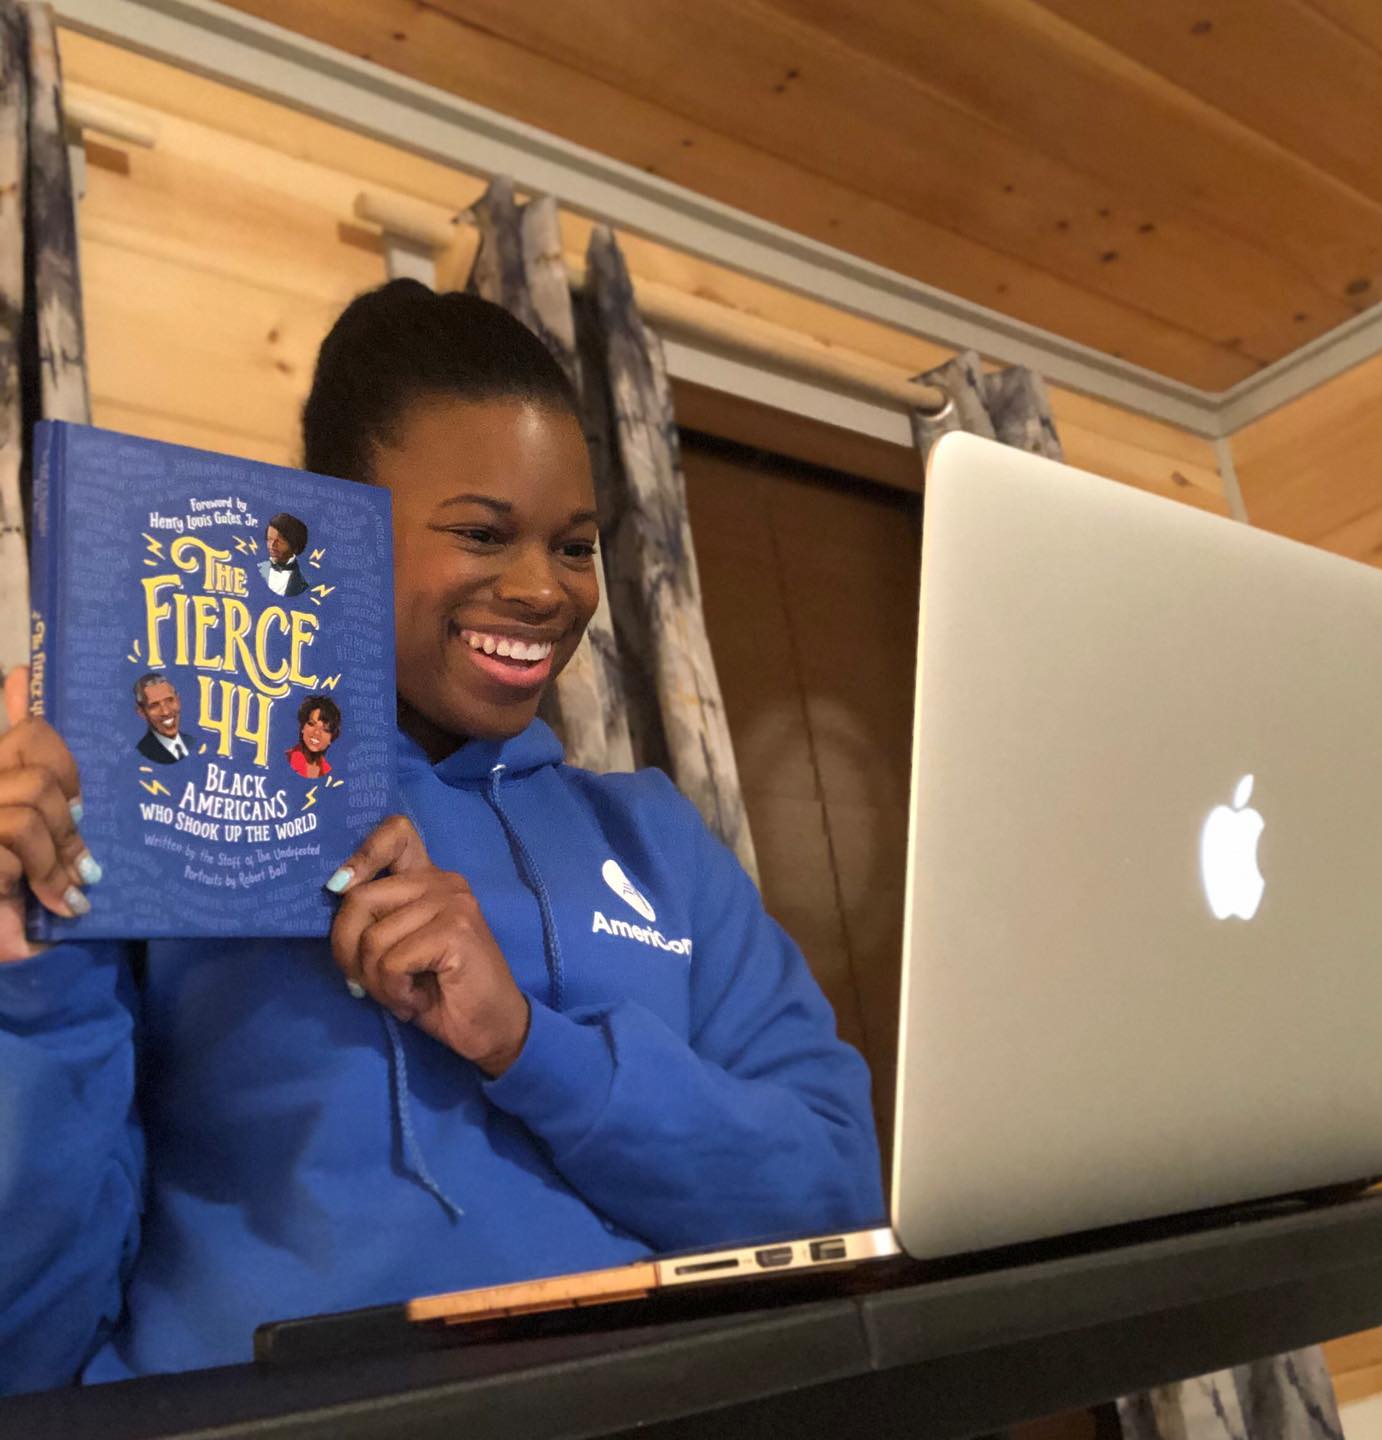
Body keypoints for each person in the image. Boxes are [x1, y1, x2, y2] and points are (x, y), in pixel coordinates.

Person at [0, 281, 884, 1394]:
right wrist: (24, 968)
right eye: (480, 533)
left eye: (575, 546)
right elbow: (23, 1338)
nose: (543, 591)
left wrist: (527, 1042)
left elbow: (839, 1202)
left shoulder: (658, 839)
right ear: (333, 529)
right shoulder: (164, 815)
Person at [132, 672, 196, 764]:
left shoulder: (192, 743)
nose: (166, 711)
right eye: (154, 705)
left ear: (178, 700)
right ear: (142, 712)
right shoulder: (141, 754)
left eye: (170, 700)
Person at [287, 694, 340, 778]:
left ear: (331, 738)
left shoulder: (331, 773)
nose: (317, 732)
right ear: (303, 728)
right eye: (311, 724)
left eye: (325, 729)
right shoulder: (287, 759)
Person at [258, 512, 310, 597]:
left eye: (279, 542)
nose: (272, 546)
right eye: (269, 539)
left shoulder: (301, 585)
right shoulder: (258, 569)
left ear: (294, 546)